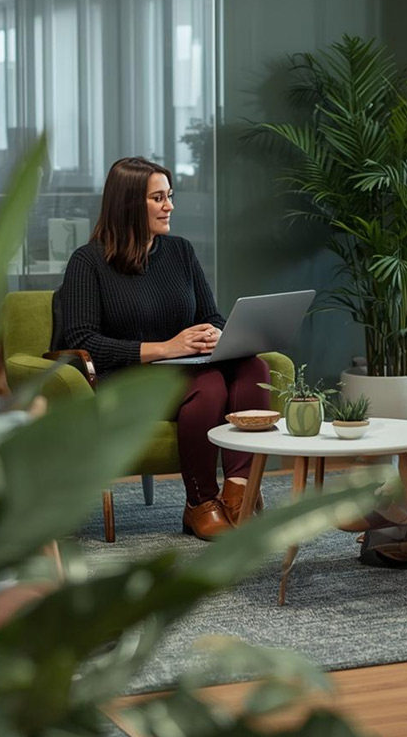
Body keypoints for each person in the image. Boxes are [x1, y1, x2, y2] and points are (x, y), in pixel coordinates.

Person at [55, 156, 272, 541]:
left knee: (254, 367)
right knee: (209, 385)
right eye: (158, 198)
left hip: (185, 368)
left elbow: (212, 316)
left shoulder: (181, 252)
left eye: (169, 196)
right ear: (129, 206)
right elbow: (82, 342)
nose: (169, 205)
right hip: (123, 382)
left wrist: (218, 336)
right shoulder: (88, 263)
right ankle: (200, 504)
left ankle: (239, 492)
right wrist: (165, 348)